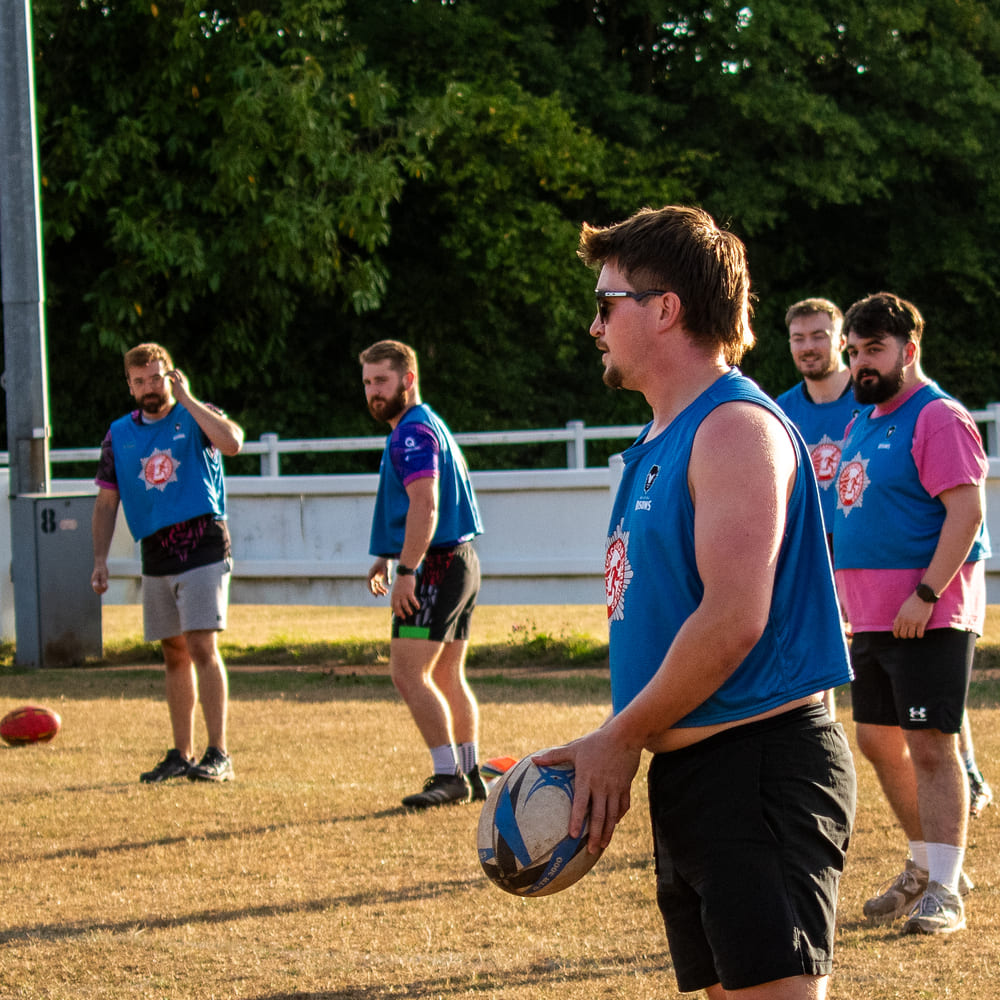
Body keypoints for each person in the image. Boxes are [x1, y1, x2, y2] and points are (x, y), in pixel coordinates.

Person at [536, 206, 856, 999]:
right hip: (696, 775)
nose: (594, 326)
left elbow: (733, 619)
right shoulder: (664, 437)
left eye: (606, 303)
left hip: (759, 769)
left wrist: (619, 736)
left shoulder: (734, 428)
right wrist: (621, 738)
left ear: (665, 308)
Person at [831, 292, 991, 935]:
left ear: (909, 350)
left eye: (874, 350)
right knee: (877, 740)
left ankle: (946, 891)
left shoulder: (938, 417)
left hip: (927, 615)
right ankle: (925, 865)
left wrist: (925, 595)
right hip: (871, 618)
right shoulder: (863, 420)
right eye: (853, 351)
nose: (860, 363)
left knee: (930, 746)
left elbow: (967, 513)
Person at [91, 343, 244, 783]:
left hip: (202, 543)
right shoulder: (118, 434)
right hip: (156, 550)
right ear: (129, 386)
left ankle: (219, 753)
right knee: (173, 652)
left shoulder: (196, 415)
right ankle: (182, 753)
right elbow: (106, 503)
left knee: (201, 646)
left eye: (156, 378)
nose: (149, 388)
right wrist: (99, 559)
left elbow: (232, 443)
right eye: (139, 381)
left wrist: (188, 398)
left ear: (171, 376)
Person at [360, 340, 486, 810]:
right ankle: (469, 772)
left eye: (382, 380)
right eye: (368, 382)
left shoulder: (411, 433)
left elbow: (426, 504)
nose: (373, 391)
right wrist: (387, 555)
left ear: (408, 380)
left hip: (434, 566)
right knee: (448, 674)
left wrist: (407, 570)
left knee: (408, 673)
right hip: (459, 560)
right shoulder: (425, 423)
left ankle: (448, 776)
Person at [775, 298, 859, 722]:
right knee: (815, 656)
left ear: (841, 340)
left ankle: (962, 755)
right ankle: (823, 740)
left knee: (902, 663)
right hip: (809, 546)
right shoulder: (781, 411)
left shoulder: (871, 399)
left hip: (864, 546)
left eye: (819, 336)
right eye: (798, 338)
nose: (808, 346)